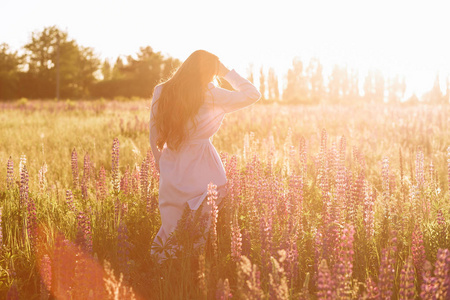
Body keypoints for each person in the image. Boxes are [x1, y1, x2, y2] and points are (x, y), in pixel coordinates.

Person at [150, 50, 261, 258]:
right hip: (204, 163)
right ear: (211, 72)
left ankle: (166, 266)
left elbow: (153, 133)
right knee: (202, 220)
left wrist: (160, 163)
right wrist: (227, 72)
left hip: (172, 162)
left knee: (171, 222)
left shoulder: (162, 90)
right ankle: (195, 262)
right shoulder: (213, 95)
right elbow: (253, 94)